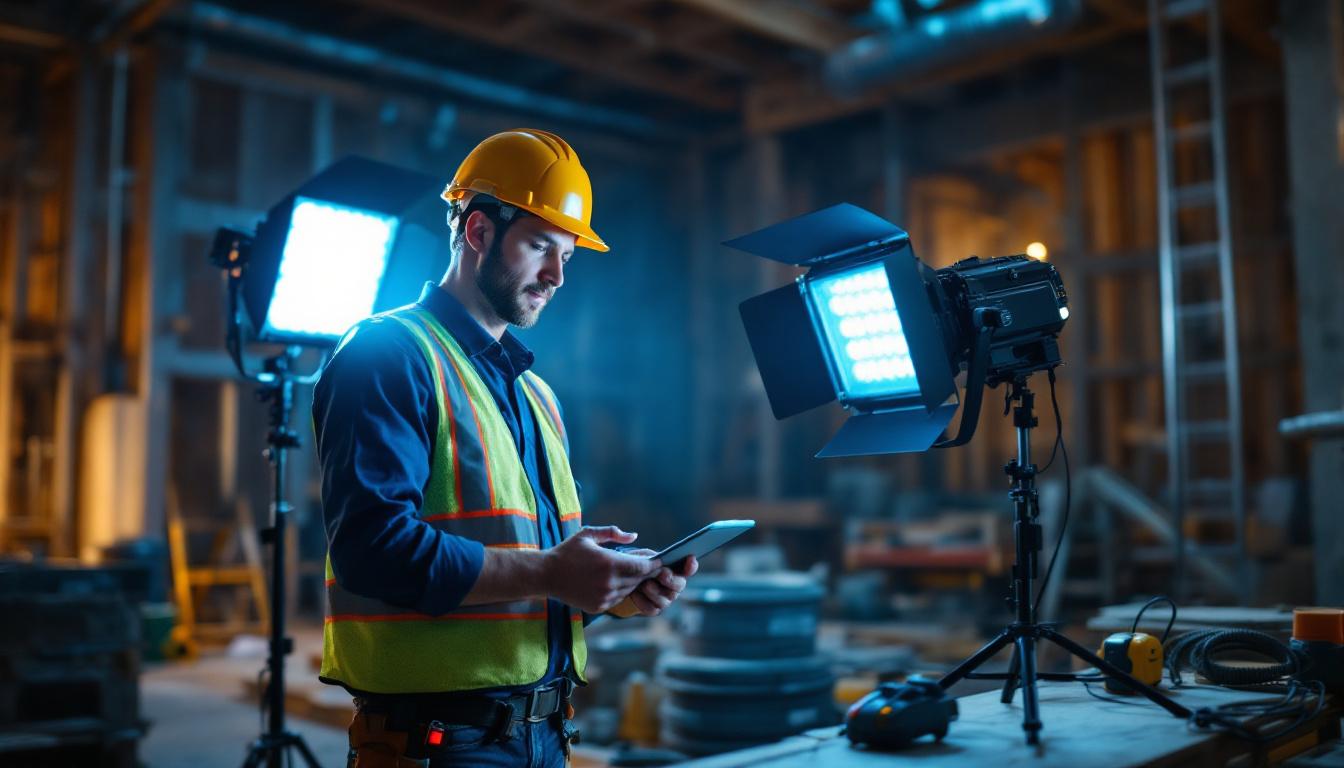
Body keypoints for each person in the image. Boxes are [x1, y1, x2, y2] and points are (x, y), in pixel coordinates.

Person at [312, 128, 698, 767]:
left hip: (545, 735)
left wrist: (601, 590)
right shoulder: (388, 354)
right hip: (437, 744)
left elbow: (515, 585)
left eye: (567, 257)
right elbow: (372, 552)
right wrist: (553, 572)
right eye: (541, 246)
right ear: (478, 231)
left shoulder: (536, 396)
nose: (556, 275)